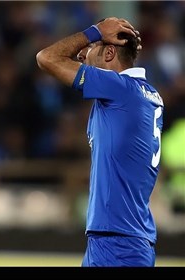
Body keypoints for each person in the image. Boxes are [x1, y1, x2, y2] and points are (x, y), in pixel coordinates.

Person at [36, 17, 164, 267]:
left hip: (119, 244)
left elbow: (47, 58)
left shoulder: (120, 88)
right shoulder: (144, 94)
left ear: (108, 52)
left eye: (92, 46)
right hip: (121, 239)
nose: (82, 54)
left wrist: (94, 31)